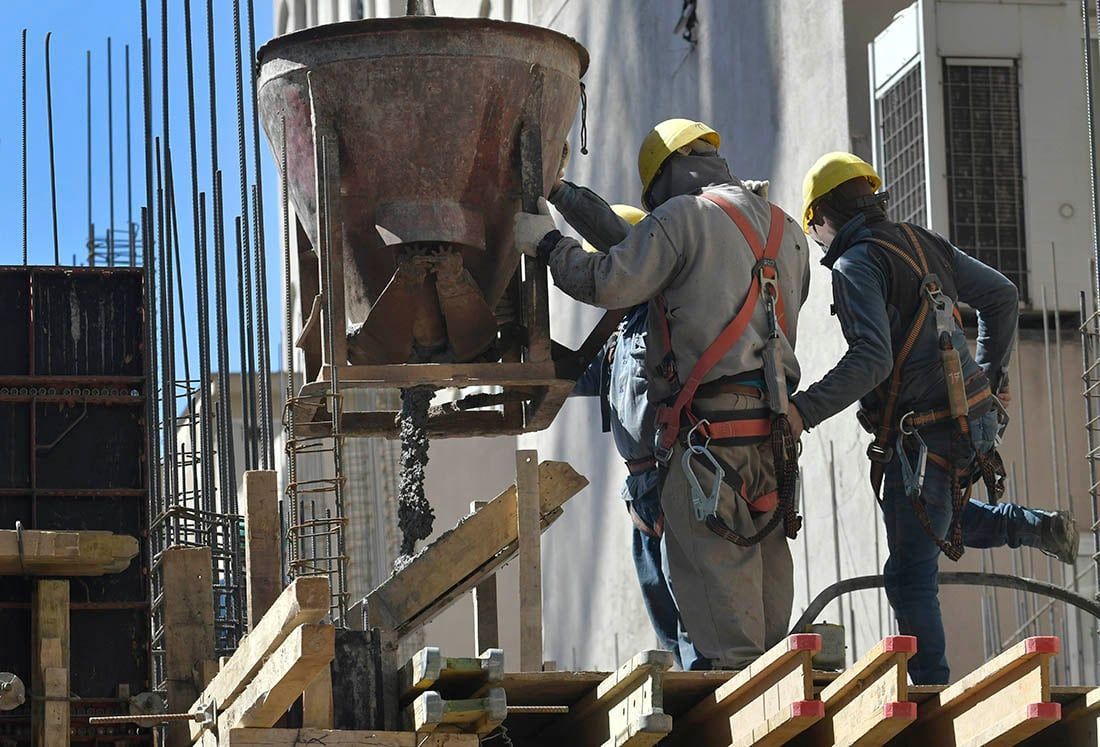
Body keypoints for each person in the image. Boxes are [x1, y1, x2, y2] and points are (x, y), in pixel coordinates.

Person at [515, 118, 811, 669]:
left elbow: (608, 279)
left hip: (707, 451)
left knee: (726, 651)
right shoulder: (786, 230)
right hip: (772, 446)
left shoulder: (683, 218)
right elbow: (639, 244)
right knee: (770, 634)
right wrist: (559, 192)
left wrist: (549, 245)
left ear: (660, 183)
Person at [789, 152, 1079, 684]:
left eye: (814, 230)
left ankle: (929, 690)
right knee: (941, 518)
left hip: (922, 434)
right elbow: (1002, 296)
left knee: (908, 575)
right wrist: (988, 380)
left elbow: (872, 360)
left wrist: (801, 411)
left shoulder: (856, 264)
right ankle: (1036, 527)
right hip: (970, 422)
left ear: (822, 216)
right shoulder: (921, 241)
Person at [568, 202, 696, 668]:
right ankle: (689, 684)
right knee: (662, 612)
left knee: (692, 610)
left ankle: (706, 688)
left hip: (672, 479)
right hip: (641, 492)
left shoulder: (664, 321)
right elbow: (576, 377)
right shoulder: (621, 335)